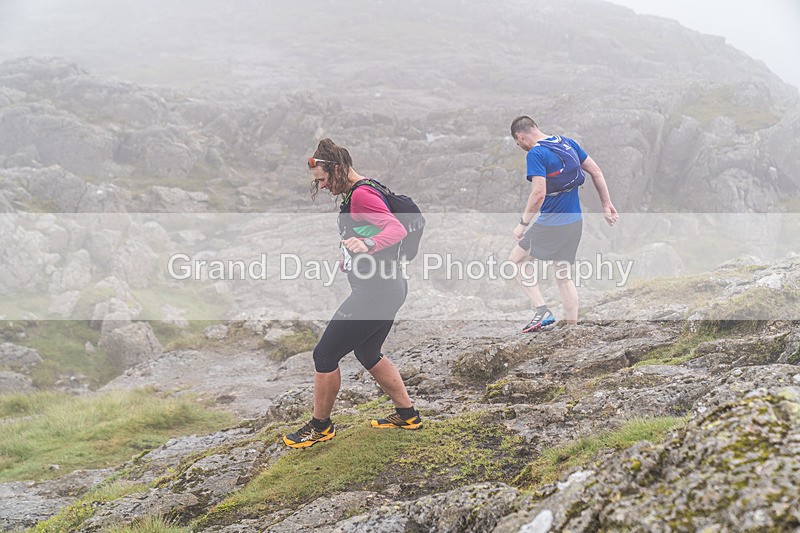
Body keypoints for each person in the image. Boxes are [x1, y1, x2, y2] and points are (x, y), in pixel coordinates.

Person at [283, 138, 422, 449]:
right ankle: (407, 414)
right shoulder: (367, 187)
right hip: (390, 286)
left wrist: (368, 245)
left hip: (376, 292)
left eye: (322, 180)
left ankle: (320, 426)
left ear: (337, 169)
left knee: (324, 355)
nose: (322, 187)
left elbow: (395, 229)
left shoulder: (361, 196)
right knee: (367, 352)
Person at [508, 116, 618, 332]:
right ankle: (572, 329)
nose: (519, 146)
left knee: (515, 261)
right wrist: (606, 204)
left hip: (552, 222)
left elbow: (538, 193)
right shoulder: (566, 142)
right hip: (574, 221)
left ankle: (542, 311)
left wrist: (523, 224)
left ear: (520, 136)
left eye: (517, 142)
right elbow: (596, 171)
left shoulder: (536, 153)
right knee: (563, 275)